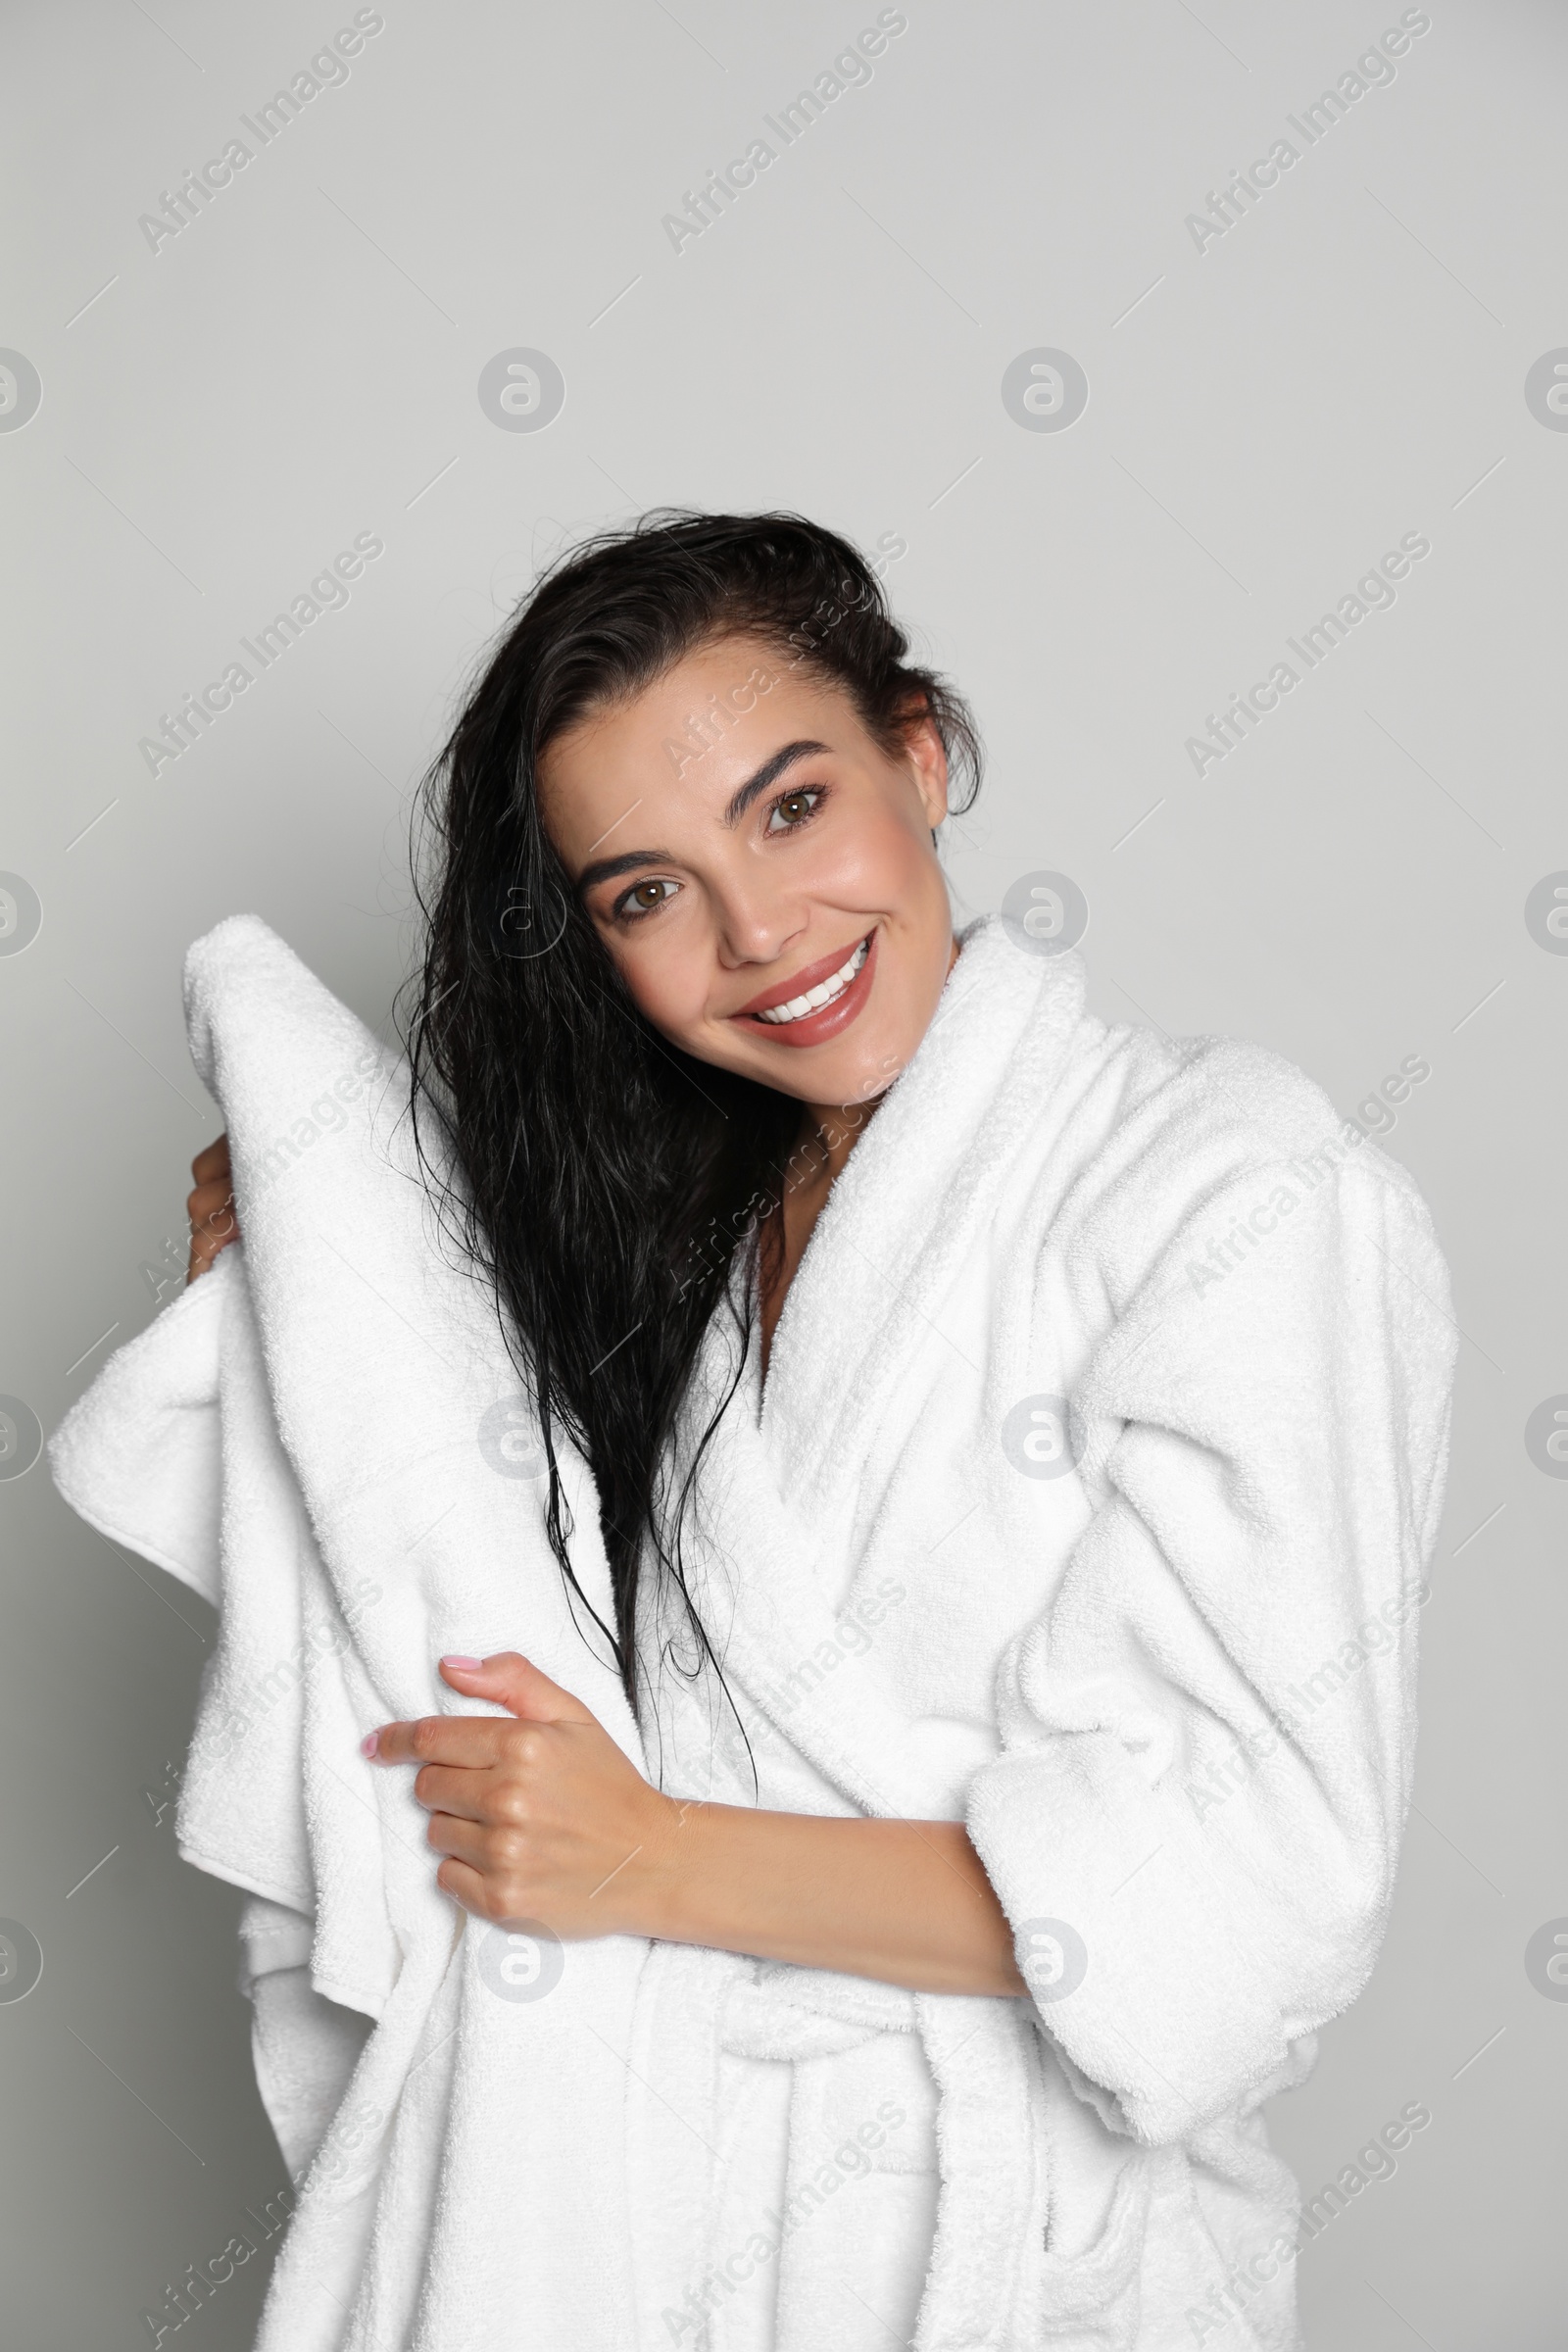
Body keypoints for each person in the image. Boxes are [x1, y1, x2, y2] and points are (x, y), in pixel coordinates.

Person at [185, 510, 1454, 2349]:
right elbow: (445, 1540)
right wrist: (310, 1246)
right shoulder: (671, 1253)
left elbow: (1248, 1899)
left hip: (1003, 2266)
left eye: (792, 808)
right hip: (654, 2236)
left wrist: (649, 1860)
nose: (759, 934)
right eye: (645, 893)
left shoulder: (1232, 1187)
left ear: (920, 755)